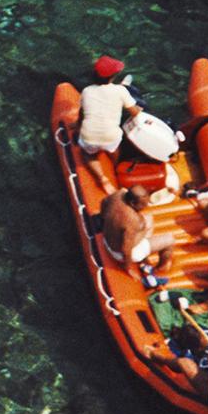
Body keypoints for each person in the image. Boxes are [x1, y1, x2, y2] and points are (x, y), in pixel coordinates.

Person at [75, 56, 141, 190]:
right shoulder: (121, 91)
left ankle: (102, 179)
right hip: (110, 137)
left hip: (89, 136)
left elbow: (82, 113)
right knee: (115, 147)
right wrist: (138, 109)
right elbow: (135, 112)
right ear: (113, 77)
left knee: (87, 153)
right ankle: (115, 167)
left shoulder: (86, 91)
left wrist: (77, 126)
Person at [100, 185, 175, 285]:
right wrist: (128, 269)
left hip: (106, 239)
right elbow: (126, 249)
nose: (146, 206)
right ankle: (160, 268)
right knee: (170, 239)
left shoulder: (118, 194)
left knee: (148, 219)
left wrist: (105, 220)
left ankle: (145, 253)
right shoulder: (132, 220)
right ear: (132, 203)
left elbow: (104, 203)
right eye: (143, 205)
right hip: (119, 253)